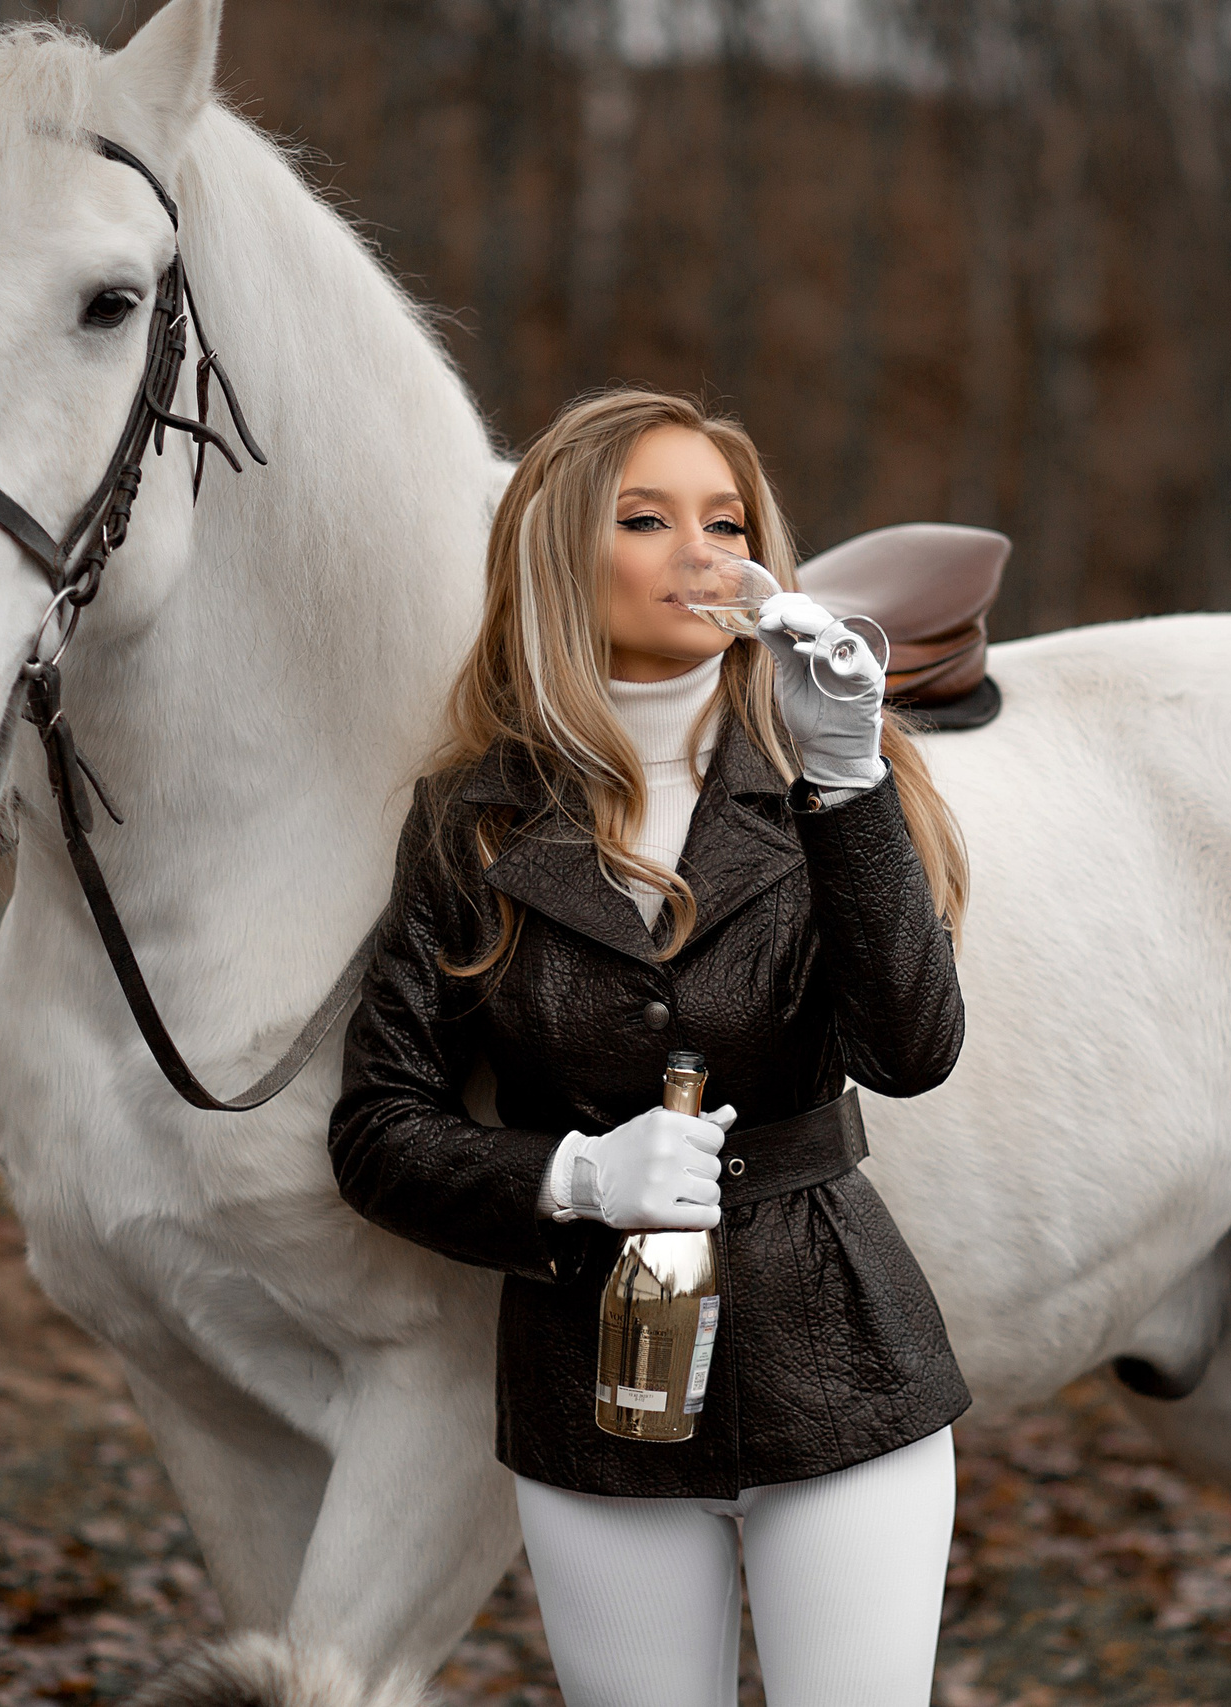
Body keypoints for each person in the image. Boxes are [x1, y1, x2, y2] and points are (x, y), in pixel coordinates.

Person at [328, 389, 972, 1707]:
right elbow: (377, 1129)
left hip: (839, 1357)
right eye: (646, 519)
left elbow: (911, 1049)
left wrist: (847, 783)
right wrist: (571, 1177)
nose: (703, 553)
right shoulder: (469, 821)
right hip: (591, 1380)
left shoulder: (830, 774)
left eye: (727, 524)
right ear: (560, 556)